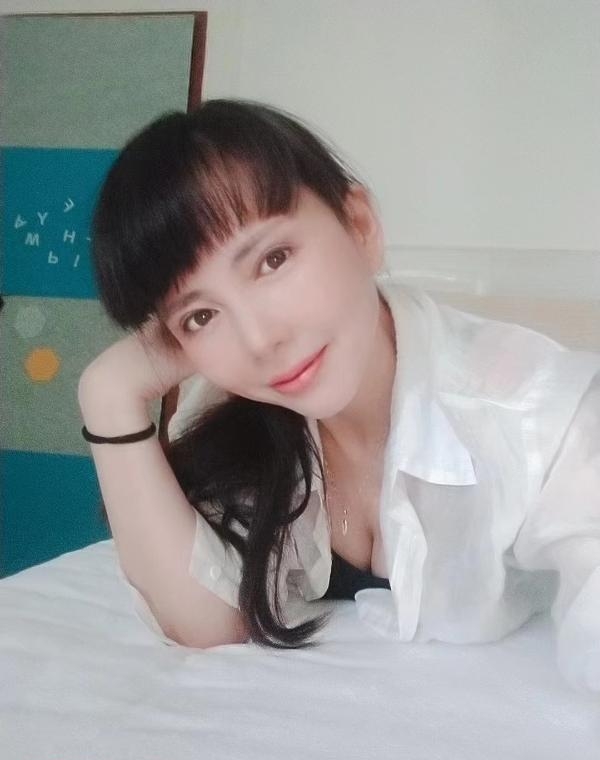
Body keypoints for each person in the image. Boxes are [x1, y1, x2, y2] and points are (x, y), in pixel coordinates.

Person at [78, 99, 600, 696]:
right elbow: (206, 621)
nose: (260, 340)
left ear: (360, 227)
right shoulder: (237, 416)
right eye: (201, 315)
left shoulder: (541, 415)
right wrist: (108, 395)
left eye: (272, 260)